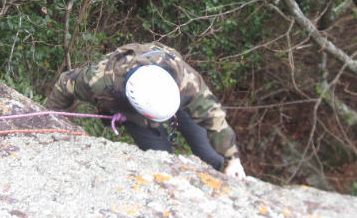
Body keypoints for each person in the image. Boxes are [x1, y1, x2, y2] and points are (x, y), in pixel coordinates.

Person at [46, 42, 246, 179]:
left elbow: (214, 116)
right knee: (163, 162)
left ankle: (226, 176)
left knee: (208, 154)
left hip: (176, 103)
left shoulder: (185, 81)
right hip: (133, 115)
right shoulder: (100, 81)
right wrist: (51, 120)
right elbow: (65, 84)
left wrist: (232, 159)